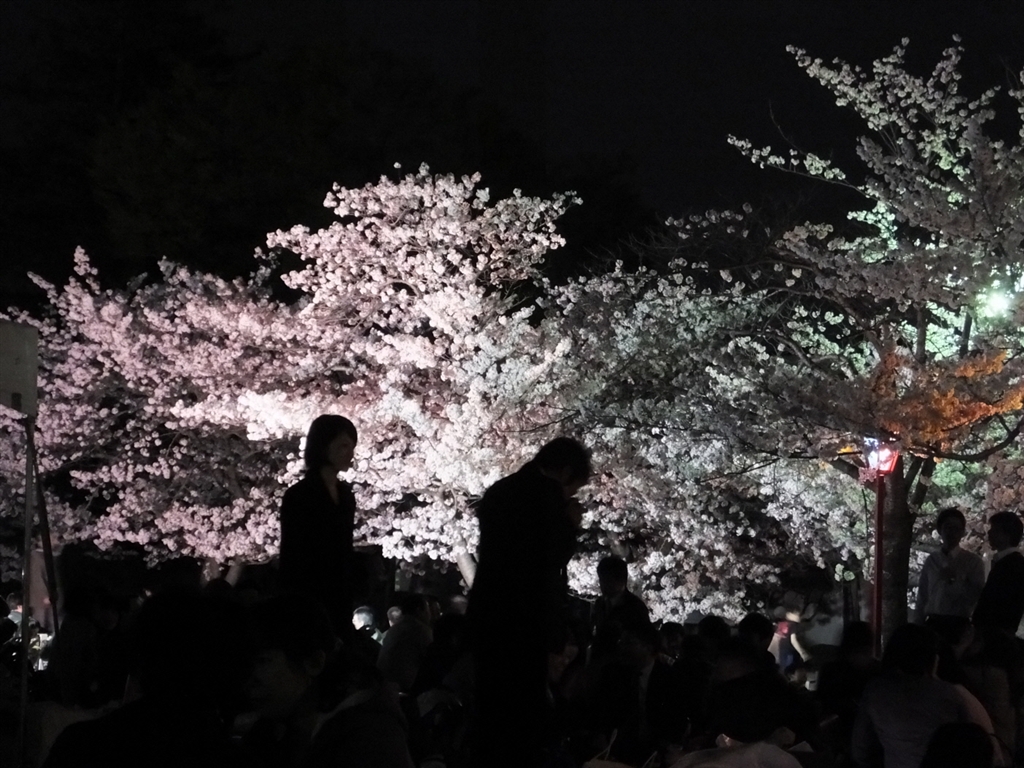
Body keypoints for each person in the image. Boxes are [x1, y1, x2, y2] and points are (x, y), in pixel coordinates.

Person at [466, 436, 591, 768]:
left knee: (490, 709)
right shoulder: (547, 496)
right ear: (565, 473)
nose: (571, 496)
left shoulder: (500, 490)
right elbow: (549, 558)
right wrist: (570, 524)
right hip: (525, 621)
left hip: (489, 613)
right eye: (573, 489)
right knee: (521, 717)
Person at [850, 624, 1000, 768]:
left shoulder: (876, 691)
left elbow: (860, 749)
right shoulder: (952, 694)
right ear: (932, 659)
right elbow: (983, 742)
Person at [279, 415, 358, 637]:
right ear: (324, 446)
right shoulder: (299, 495)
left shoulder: (346, 495)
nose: (350, 454)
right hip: (307, 595)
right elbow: (292, 554)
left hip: (340, 593)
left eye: (352, 447)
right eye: (343, 446)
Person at [915, 507, 985, 625]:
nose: (951, 532)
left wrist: (955, 581)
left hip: (958, 624)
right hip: (932, 622)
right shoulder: (932, 560)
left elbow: (976, 596)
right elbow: (922, 595)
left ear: (962, 532)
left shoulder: (973, 562)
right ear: (940, 530)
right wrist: (918, 623)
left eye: (956, 529)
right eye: (948, 527)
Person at [973, 511, 1024, 635]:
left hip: (996, 634)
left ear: (1007, 535)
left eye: (995, 530)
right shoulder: (1008, 561)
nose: (989, 533)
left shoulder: (1013, 565)